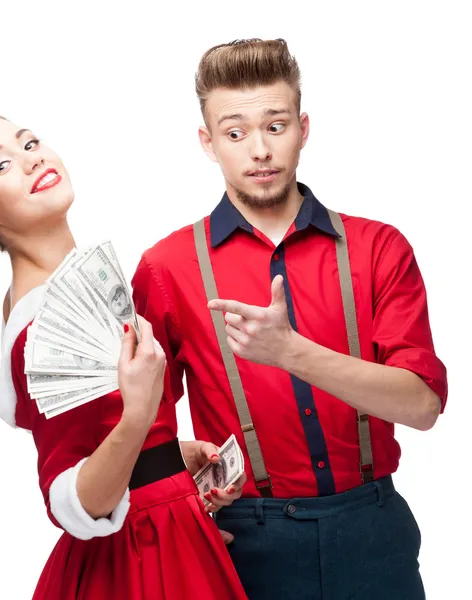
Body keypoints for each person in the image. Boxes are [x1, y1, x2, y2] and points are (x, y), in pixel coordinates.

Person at [131, 38, 448, 599]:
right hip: (243, 536)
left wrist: (288, 351)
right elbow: (141, 424)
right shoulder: (166, 267)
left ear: (303, 127)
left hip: (374, 530)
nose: (259, 150)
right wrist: (181, 509)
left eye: (275, 126)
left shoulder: (379, 247)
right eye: (235, 133)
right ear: (208, 143)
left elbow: (421, 406)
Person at [0, 115, 248, 600]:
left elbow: (98, 433)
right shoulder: (44, 325)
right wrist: (136, 420)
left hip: (170, 525)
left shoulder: (65, 292)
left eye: (30, 142)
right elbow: (69, 498)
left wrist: (169, 456)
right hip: (135, 559)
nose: (32, 158)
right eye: (2, 165)